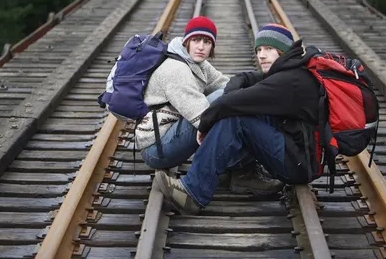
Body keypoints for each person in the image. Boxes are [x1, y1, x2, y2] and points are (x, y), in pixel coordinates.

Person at [154, 24, 322, 214]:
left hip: (297, 164)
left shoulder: (289, 82)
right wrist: (231, 94)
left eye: (269, 49)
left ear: (283, 51)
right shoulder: (287, 71)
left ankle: (192, 193)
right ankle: (242, 172)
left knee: (236, 120)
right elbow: (244, 77)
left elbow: (233, 103)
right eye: (259, 50)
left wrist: (205, 125)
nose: (261, 55)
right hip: (292, 152)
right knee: (242, 112)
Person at [136, 17, 284, 195]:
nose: (200, 46)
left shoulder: (199, 65)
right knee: (228, 110)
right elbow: (202, 117)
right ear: (186, 42)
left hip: (169, 134)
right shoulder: (176, 69)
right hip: (157, 149)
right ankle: (242, 172)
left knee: (232, 100)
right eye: (196, 40)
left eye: (207, 42)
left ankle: (240, 172)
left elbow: (226, 84)